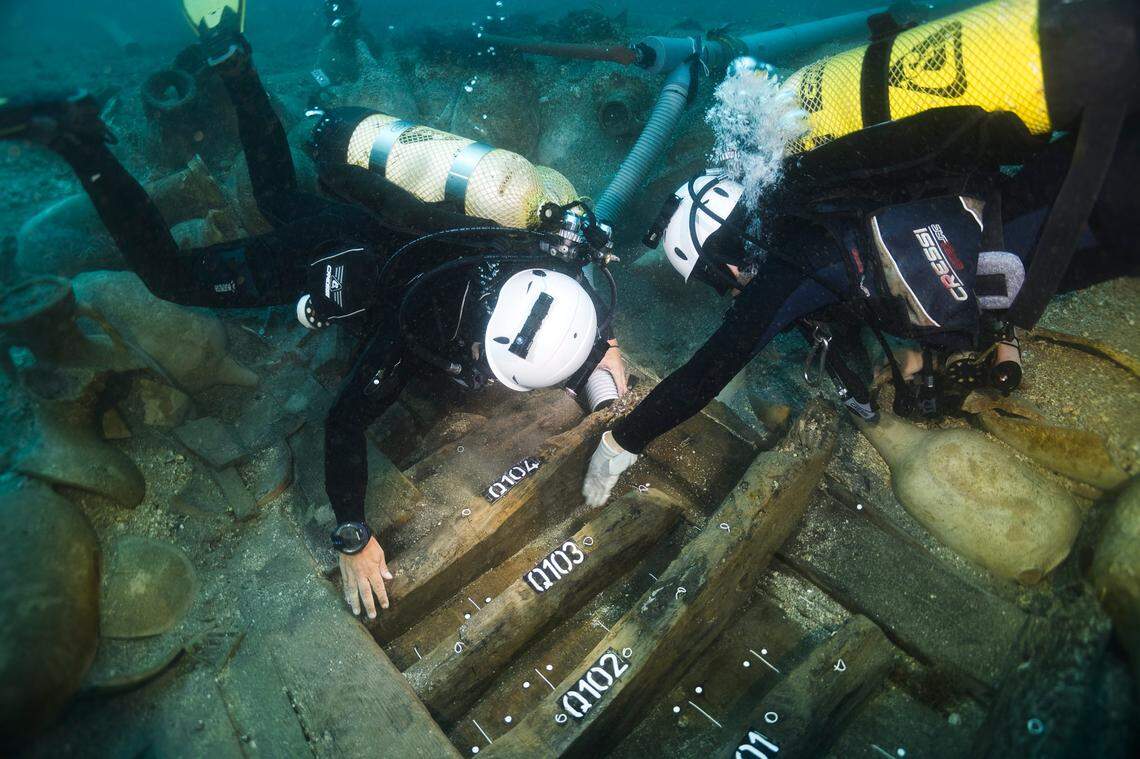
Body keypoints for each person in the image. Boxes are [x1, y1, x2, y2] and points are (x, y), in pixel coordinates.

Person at [0, 1, 627, 619]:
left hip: (367, 219)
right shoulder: (412, 332)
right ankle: (80, 140)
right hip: (329, 260)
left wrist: (599, 358)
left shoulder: (533, 253)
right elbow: (344, 424)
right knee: (170, 277)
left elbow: (570, 312)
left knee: (276, 195)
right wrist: (353, 533)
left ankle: (232, 62)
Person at [582, 0, 1139, 507]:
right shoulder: (834, 194)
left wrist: (621, 441)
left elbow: (707, 370)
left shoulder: (791, 266)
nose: (732, 291)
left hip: (1096, 216)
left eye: (719, 281)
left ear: (724, 259)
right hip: (1061, 177)